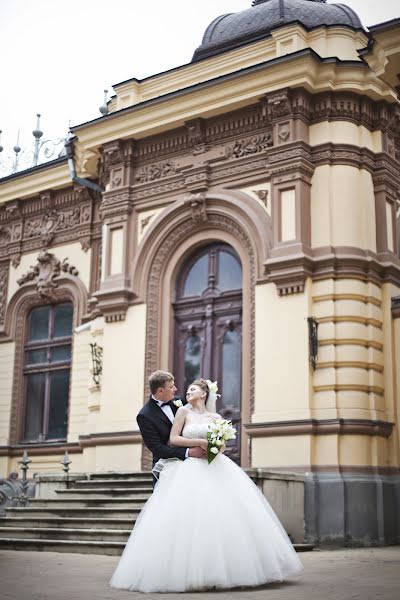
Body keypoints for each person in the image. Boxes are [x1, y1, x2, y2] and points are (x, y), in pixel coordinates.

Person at [110, 378, 303, 593]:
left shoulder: (214, 416)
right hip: (187, 467)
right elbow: (169, 441)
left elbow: (220, 446)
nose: (182, 391)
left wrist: (215, 449)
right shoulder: (177, 412)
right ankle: (176, 570)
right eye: (176, 388)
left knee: (224, 517)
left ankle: (227, 569)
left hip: (216, 467)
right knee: (184, 520)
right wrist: (199, 444)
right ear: (161, 390)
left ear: (204, 394)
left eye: (192, 389)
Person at [136, 370, 206, 482]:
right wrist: (188, 452)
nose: (175, 389)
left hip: (197, 465)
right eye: (171, 387)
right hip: (168, 468)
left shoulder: (180, 401)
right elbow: (157, 448)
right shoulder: (145, 415)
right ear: (160, 390)